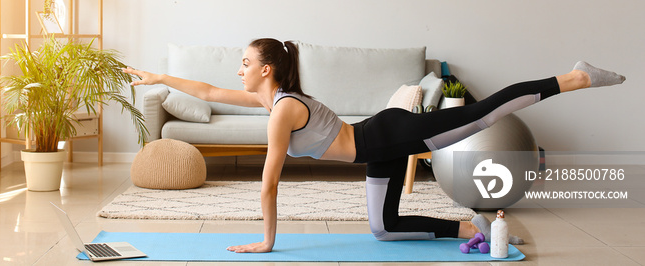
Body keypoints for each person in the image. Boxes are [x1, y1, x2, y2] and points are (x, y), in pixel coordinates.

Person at [123, 38, 626, 253]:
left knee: (486, 112)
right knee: (384, 230)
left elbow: (268, 185)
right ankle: (472, 226)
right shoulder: (272, 101)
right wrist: (155, 76)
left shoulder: (282, 111)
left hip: (388, 134)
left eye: (244, 62)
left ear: (265, 69)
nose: (238, 69)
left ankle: (577, 76)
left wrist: (267, 241)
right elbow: (209, 93)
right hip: (375, 147)